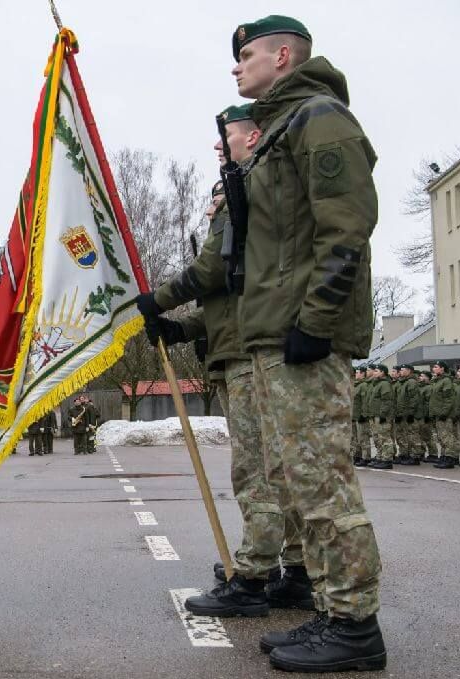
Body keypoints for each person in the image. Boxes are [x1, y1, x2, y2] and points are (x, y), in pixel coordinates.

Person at [141, 16, 385, 671]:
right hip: (275, 334)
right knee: (305, 484)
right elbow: (254, 270)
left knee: (325, 486)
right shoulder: (285, 127)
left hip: (300, 336)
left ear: (283, 56)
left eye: (246, 55)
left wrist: (316, 319)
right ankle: (332, 612)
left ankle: (355, 622)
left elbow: (347, 229)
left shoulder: (319, 118)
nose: (236, 66)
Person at [140, 103, 315, 617]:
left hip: (249, 356)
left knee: (258, 471)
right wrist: (180, 328)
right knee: (276, 470)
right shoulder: (250, 211)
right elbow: (228, 306)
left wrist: (157, 300)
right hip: (242, 347)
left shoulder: (248, 208)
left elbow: (213, 273)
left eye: (227, 137)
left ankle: (255, 573)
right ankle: (296, 567)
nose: (219, 148)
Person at [430, 361, 460, 468]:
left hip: (444, 415)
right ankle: (444, 457)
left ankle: (450, 458)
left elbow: (449, 399)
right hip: (438, 414)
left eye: (436, 367)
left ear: (442, 369)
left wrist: (444, 413)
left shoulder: (446, 381)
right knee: (441, 438)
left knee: (447, 437)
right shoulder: (438, 381)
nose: (433, 368)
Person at [366, 365, 395, 470]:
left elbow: (387, 401)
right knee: (378, 438)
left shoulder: (384, 384)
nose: (374, 373)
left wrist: (383, 414)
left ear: (383, 372)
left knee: (385, 438)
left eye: (376, 371)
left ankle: (387, 460)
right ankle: (380, 457)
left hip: (382, 416)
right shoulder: (377, 384)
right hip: (375, 415)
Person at [394, 364, 421, 466]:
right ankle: (406, 454)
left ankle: (416, 456)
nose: (400, 371)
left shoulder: (411, 382)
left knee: (413, 435)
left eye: (402, 370)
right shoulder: (403, 382)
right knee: (406, 435)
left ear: (409, 371)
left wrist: (411, 413)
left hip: (411, 414)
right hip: (404, 414)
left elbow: (414, 399)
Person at [417, 371, 438, 463]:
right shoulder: (420, 387)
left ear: (427, 378)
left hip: (425, 415)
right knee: (420, 436)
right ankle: (421, 452)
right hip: (419, 415)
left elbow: (428, 403)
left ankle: (433, 454)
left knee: (428, 436)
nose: (420, 377)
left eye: (422, 376)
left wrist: (427, 415)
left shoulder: (428, 388)